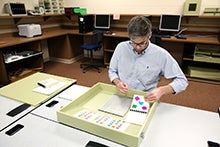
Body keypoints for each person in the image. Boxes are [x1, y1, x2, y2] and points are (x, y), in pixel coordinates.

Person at [108, 16, 188, 103]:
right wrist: (118, 82)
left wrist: (161, 90)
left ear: (149, 35)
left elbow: (182, 81)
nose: (137, 47)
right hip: (123, 95)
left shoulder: (160, 54)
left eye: (142, 43)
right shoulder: (121, 48)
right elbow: (112, 71)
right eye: (133, 43)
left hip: (145, 98)